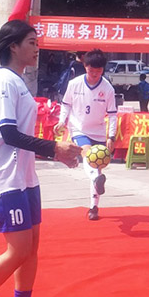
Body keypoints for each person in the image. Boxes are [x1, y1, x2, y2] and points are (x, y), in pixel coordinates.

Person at [0, 20, 82, 297]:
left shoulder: (16, 81)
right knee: (18, 249)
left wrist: (55, 148)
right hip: (5, 179)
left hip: (25, 177)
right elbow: (8, 134)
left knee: (31, 248)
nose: (37, 48)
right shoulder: (4, 80)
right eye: (31, 42)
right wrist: (54, 149)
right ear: (13, 46)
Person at [54, 49, 118, 221]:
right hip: (79, 129)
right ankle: (97, 180)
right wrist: (62, 121)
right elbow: (66, 104)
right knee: (89, 156)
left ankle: (93, 207)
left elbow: (113, 114)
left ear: (103, 70)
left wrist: (111, 137)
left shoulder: (107, 88)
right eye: (91, 70)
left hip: (98, 132)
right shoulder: (74, 84)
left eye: (98, 71)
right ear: (85, 66)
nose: (94, 74)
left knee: (96, 167)